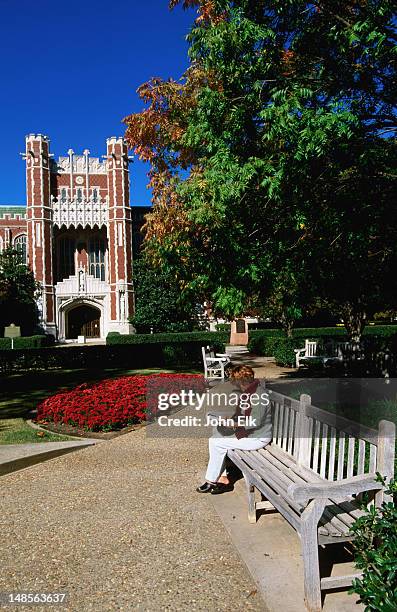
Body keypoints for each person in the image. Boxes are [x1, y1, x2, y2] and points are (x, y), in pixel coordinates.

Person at [197, 365, 272, 495]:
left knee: (215, 442)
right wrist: (227, 418)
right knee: (217, 431)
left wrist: (234, 424)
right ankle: (222, 478)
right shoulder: (251, 391)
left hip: (258, 438)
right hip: (251, 434)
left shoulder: (259, 395)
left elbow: (256, 421)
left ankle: (211, 480)